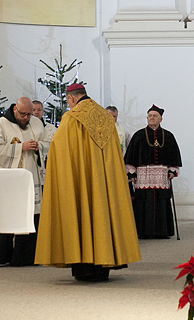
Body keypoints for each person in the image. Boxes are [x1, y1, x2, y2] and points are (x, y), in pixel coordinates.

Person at [35, 83, 140, 282]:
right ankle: (104, 265)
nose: (69, 105)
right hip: (104, 181)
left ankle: (85, 268)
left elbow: (59, 147)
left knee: (82, 212)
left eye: (68, 101)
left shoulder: (71, 118)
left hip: (80, 180)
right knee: (103, 212)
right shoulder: (106, 117)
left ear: (72, 98)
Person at [0, 97, 47, 266]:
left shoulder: (36, 123)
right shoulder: (0, 124)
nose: (26, 118)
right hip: (8, 180)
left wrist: (39, 146)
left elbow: (48, 143)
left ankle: (25, 257)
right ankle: (1, 256)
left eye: (29, 114)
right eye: (23, 114)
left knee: (30, 215)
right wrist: (21, 147)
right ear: (15, 110)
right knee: (7, 215)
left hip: (31, 177)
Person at [124, 105, 183, 239]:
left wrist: (172, 171)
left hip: (161, 176)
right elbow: (130, 157)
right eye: (150, 116)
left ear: (160, 119)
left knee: (162, 202)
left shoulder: (168, 136)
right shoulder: (139, 135)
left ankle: (163, 231)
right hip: (143, 176)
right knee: (144, 202)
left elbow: (174, 157)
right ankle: (143, 232)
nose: (152, 118)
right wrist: (132, 173)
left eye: (154, 116)